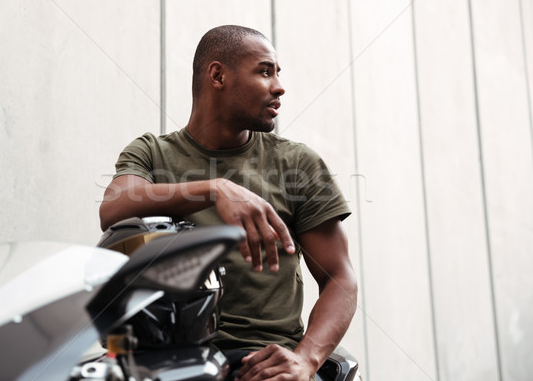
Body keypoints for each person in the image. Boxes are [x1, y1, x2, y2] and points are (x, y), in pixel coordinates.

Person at [99, 25, 357, 380]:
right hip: (169, 363)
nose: (279, 86)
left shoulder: (297, 164)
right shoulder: (152, 153)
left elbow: (340, 278)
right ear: (218, 75)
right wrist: (215, 189)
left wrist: (306, 359)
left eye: (278, 73)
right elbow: (115, 206)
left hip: (264, 362)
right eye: (265, 71)